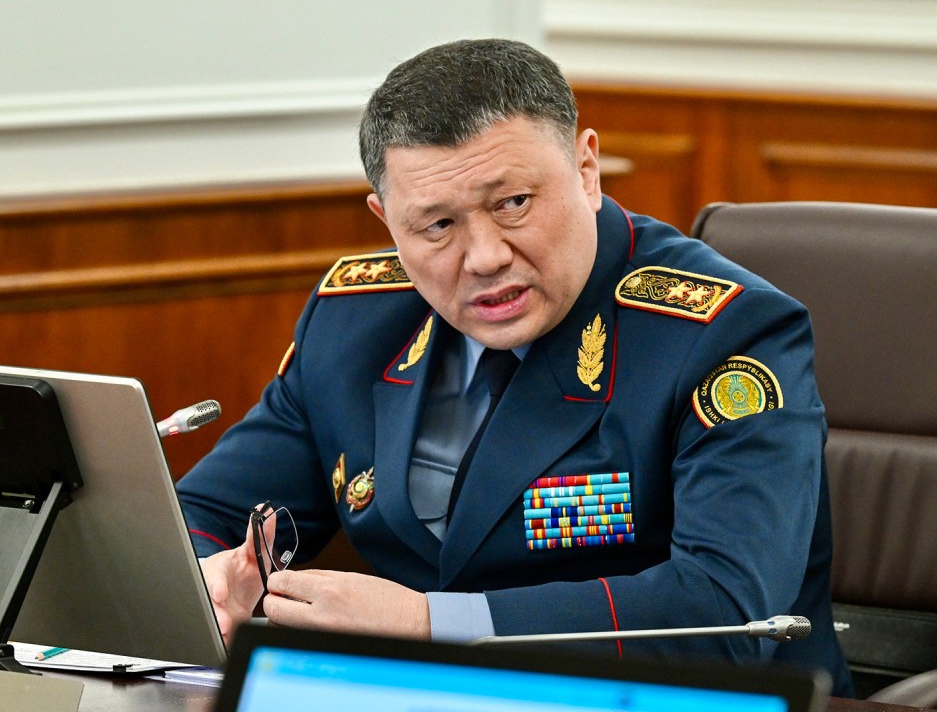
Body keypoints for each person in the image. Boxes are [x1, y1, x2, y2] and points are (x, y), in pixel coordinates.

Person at [176, 38, 854, 696]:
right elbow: (203, 512)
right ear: (387, 220)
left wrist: (428, 625)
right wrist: (210, 576)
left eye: (513, 204)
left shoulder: (724, 334)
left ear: (586, 170)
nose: (485, 257)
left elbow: (726, 612)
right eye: (437, 226)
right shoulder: (355, 321)